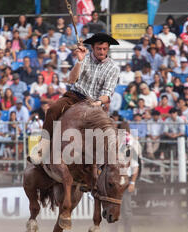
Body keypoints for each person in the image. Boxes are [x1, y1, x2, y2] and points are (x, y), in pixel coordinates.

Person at [29, 33, 120, 164]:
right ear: (93, 48)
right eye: (99, 48)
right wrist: (79, 61)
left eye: (104, 49)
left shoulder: (113, 68)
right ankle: (43, 146)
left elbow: (107, 94)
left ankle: (108, 162)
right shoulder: (85, 58)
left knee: (107, 128)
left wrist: (98, 102)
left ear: (108, 49)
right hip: (74, 96)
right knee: (52, 109)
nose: (102, 51)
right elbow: (72, 79)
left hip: (95, 104)